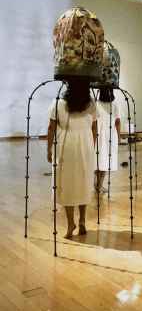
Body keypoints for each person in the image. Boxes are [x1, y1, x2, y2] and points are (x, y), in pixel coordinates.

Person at [47, 78, 97, 239]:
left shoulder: (58, 103)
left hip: (66, 145)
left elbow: (51, 128)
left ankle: (70, 224)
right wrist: (92, 146)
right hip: (86, 145)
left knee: (66, 184)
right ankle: (82, 220)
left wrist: (48, 149)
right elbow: (94, 128)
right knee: (83, 182)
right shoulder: (91, 104)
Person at [95, 87, 121, 193]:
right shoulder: (114, 104)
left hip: (100, 134)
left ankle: (98, 184)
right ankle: (99, 185)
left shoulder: (96, 104)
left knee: (99, 160)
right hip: (108, 135)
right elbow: (118, 122)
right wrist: (119, 137)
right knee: (105, 161)